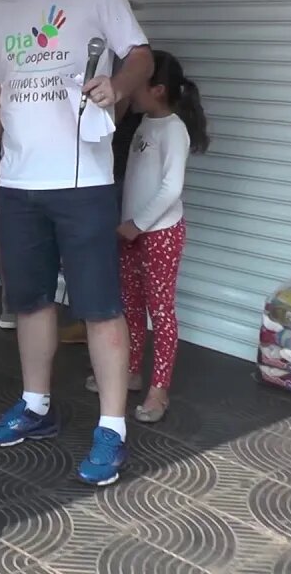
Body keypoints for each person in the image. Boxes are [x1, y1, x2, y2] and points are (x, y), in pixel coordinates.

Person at [0, 0, 154, 487]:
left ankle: (113, 428)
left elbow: (142, 57)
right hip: (19, 182)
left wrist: (118, 87)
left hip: (84, 181)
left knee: (99, 305)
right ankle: (35, 405)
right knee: (31, 301)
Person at [115, 51, 208, 423]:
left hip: (159, 235)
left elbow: (171, 188)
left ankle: (159, 389)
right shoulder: (144, 124)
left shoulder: (173, 129)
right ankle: (132, 370)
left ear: (156, 90)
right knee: (132, 306)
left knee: (161, 310)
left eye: (135, 84)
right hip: (132, 232)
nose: (128, 90)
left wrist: (138, 225)